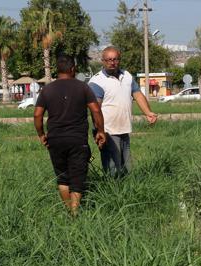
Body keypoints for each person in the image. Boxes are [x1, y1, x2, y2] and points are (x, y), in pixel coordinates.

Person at [34, 54, 106, 214]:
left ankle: (69, 211)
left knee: (63, 177)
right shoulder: (83, 87)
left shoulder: (47, 89)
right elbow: (95, 110)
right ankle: (75, 213)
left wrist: (41, 134)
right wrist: (100, 131)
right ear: (73, 69)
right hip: (77, 140)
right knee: (77, 178)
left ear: (57, 70)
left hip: (55, 140)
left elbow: (37, 115)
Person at [88, 46, 158, 177]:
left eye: (115, 59)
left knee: (126, 167)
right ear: (103, 61)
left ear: (119, 60)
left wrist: (148, 113)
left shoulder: (127, 76)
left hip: (124, 129)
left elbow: (137, 94)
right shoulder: (97, 81)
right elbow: (95, 109)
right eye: (108, 59)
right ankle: (112, 193)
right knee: (112, 169)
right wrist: (99, 130)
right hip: (107, 131)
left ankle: (126, 192)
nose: (112, 62)